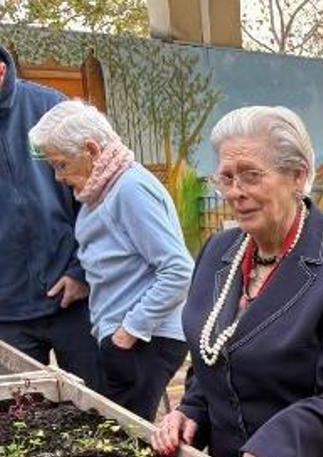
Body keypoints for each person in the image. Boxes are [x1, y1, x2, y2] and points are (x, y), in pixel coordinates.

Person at [150, 105, 323, 457]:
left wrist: (276, 447)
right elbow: (211, 354)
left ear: (297, 176)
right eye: (227, 177)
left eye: (251, 175)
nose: (235, 192)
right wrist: (191, 411)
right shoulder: (218, 252)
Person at [28, 100, 191, 420]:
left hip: (145, 340)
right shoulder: (103, 188)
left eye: (61, 164)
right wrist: (88, 284)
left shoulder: (130, 189)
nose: (58, 177)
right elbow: (126, 262)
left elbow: (178, 269)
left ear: (91, 149)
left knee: (125, 443)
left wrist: (127, 333)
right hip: (130, 339)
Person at [0, 45, 101, 388]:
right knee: (20, 424)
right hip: (6, 315)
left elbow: (98, 193)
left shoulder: (50, 110)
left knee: (104, 411)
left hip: (76, 299)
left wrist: (81, 270)